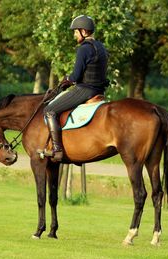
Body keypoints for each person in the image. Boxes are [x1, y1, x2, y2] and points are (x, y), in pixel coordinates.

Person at [43, 15, 109, 161]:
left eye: (75, 32)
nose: (74, 35)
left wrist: (67, 79)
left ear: (83, 31)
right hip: (99, 90)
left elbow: (76, 76)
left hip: (85, 90)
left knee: (49, 110)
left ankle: (57, 149)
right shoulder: (101, 46)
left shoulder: (84, 49)